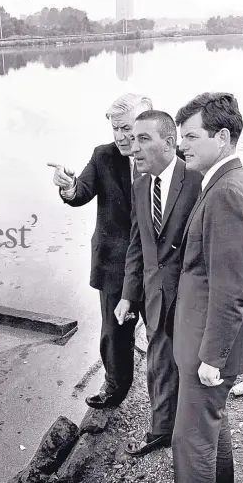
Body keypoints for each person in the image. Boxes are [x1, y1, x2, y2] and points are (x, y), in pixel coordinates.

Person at [172, 92, 243, 483]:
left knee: (191, 443)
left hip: (207, 349)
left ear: (223, 137)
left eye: (191, 137)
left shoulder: (227, 192)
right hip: (205, 345)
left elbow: (230, 289)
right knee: (211, 429)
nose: (181, 146)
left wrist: (212, 358)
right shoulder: (231, 182)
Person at [47, 93, 152, 409]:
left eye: (126, 128)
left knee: (164, 331)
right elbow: (80, 193)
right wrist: (67, 185)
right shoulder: (103, 156)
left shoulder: (168, 156)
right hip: (113, 265)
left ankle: (168, 396)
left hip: (158, 265)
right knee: (114, 331)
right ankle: (114, 388)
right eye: (115, 129)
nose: (119, 137)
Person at [115, 110, 202, 455]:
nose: (132, 147)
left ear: (169, 144)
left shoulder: (196, 179)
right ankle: (161, 430)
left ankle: (191, 434)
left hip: (191, 297)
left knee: (192, 366)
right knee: (158, 362)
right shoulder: (140, 185)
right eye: (132, 139)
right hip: (154, 295)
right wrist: (127, 296)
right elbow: (138, 244)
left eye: (142, 139)